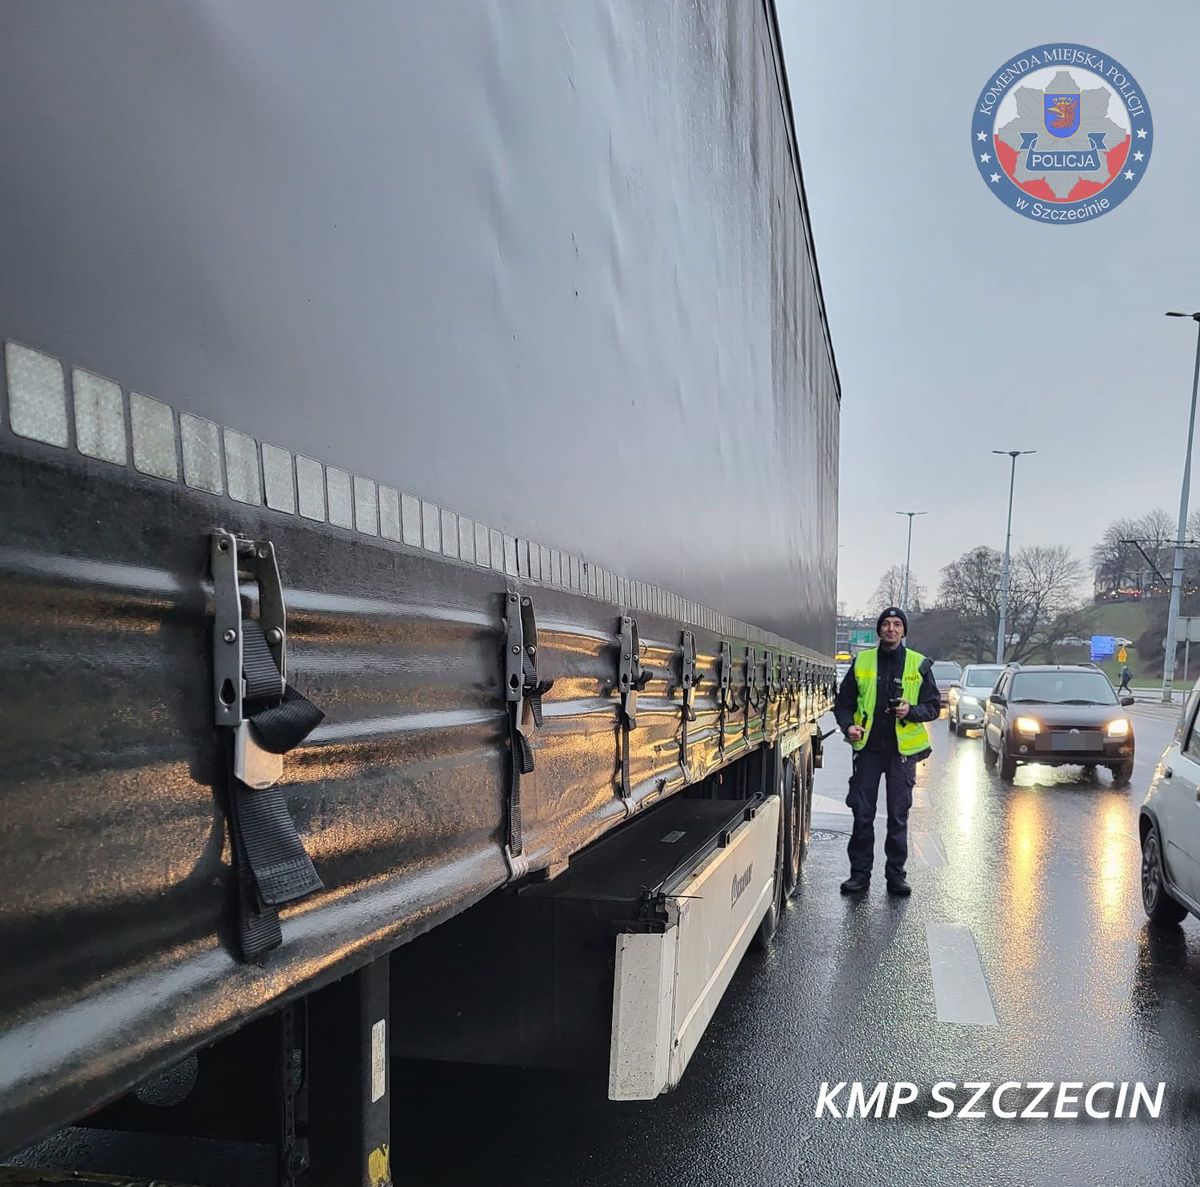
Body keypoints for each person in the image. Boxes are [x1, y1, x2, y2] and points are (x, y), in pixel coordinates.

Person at [833, 607, 940, 897]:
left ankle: (896, 877)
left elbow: (933, 706)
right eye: (886, 624)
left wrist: (910, 711)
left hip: (900, 754)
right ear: (879, 630)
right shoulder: (862, 661)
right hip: (869, 750)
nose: (891, 629)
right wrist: (848, 726)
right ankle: (859, 875)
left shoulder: (918, 664)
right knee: (862, 814)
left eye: (896, 624)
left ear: (903, 631)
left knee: (897, 817)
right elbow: (843, 704)